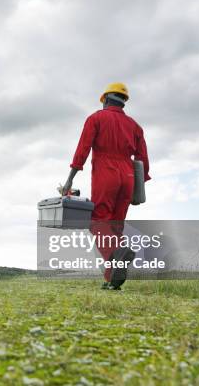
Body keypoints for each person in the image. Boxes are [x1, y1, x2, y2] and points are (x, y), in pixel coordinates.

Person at [62, 82, 150, 290]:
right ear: (123, 102)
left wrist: (70, 177)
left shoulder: (96, 118)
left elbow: (82, 149)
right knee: (115, 228)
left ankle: (119, 252)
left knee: (98, 222)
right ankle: (111, 280)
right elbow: (143, 159)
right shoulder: (135, 126)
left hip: (105, 173)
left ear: (106, 100)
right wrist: (139, 188)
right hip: (128, 177)